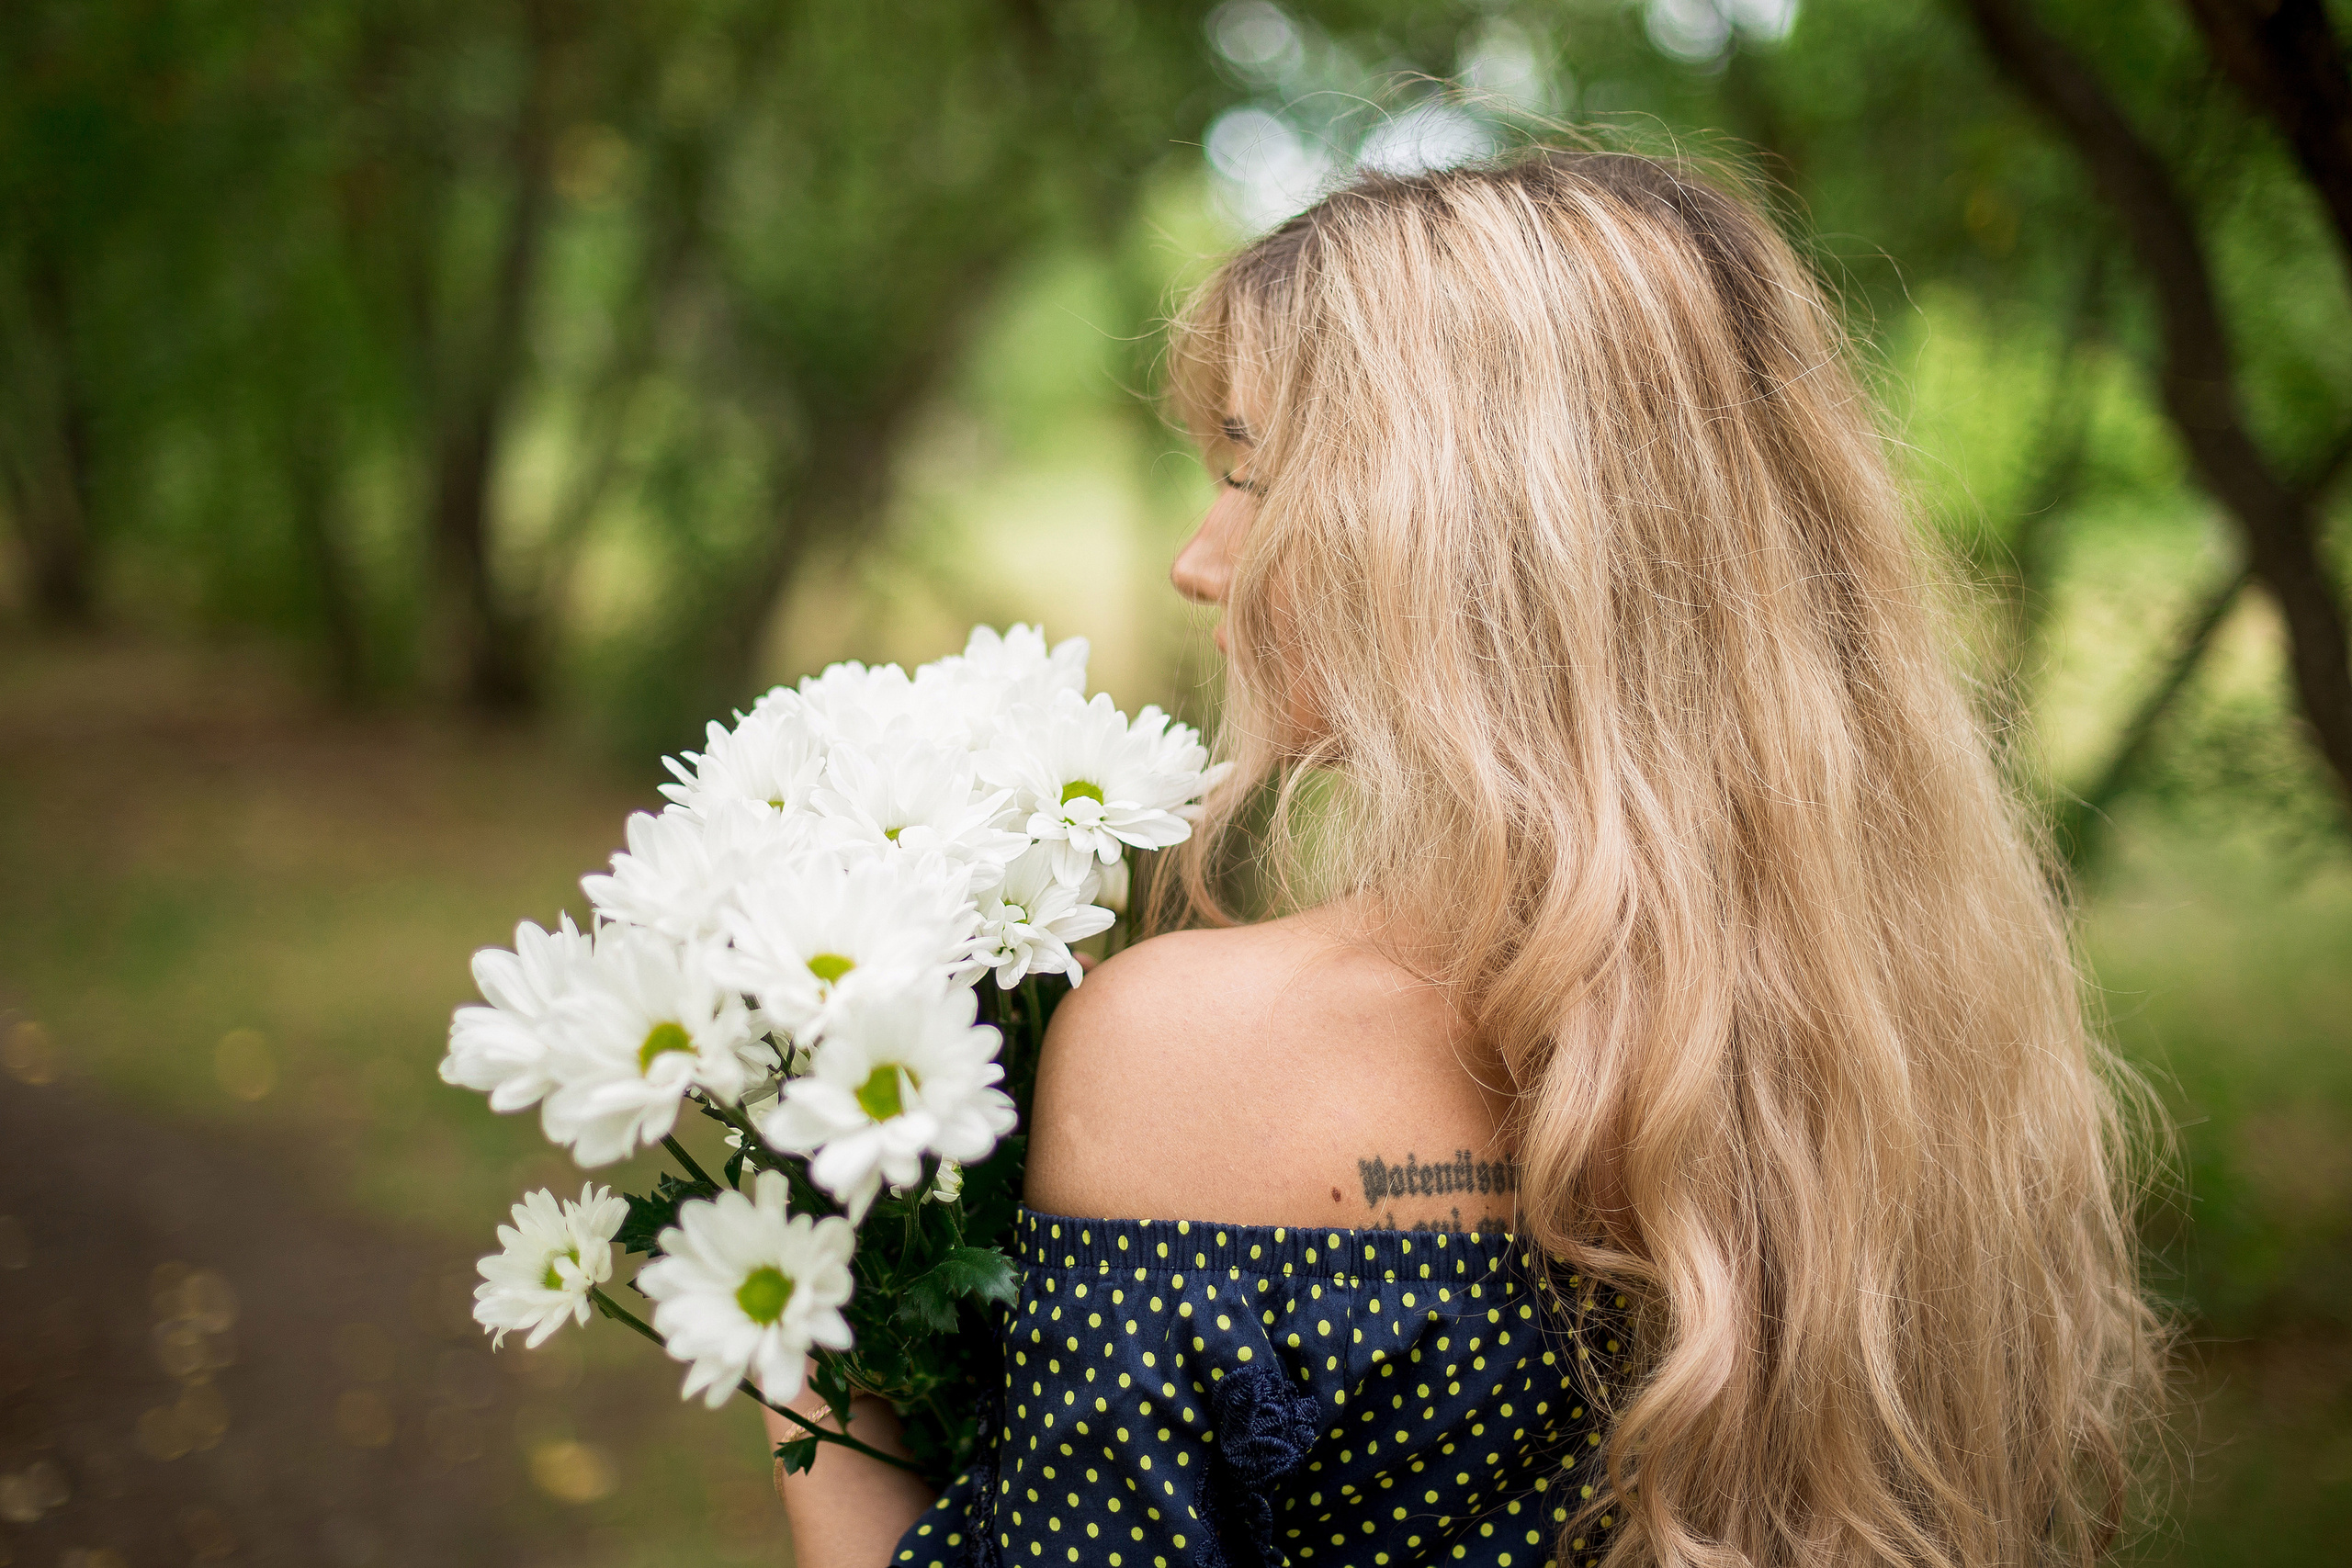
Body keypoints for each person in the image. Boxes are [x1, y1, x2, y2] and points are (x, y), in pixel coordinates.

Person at [764, 148, 2165, 1568]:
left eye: (1255, 474)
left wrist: (798, 1311)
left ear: (1465, 532)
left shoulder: (1192, 1050)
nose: (1203, 559)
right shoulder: (1921, 1050)